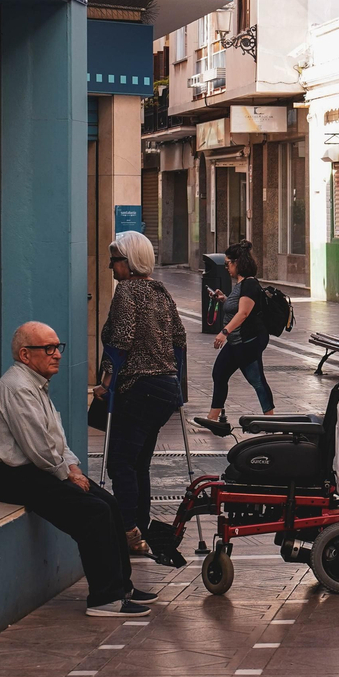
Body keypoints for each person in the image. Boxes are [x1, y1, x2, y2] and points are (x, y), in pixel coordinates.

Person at [0, 321, 154, 617]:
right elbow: (39, 449)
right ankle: (105, 599)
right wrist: (68, 474)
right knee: (93, 513)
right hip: (14, 477)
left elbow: (56, 441)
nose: (57, 354)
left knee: (109, 503)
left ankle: (122, 588)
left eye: (57, 347)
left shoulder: (36, 385)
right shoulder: (18, 389)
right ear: (25, 354)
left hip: (40, 470)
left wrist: (72, 468)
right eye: (48, 348)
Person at [97, 230, 187, 556]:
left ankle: (127, 530)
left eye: (115, 260)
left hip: (139, 388)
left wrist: (105, 383)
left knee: (120, 463)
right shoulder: (160, 290)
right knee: (140, 463)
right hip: (166, 389)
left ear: (130, 262)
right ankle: (142, 527)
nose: (110, 266)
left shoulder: (127, 291)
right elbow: (180, 338)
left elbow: (120, 341)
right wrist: (173, 375)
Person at [192, 240, 275, 436]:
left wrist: (224, 332)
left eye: (227, 263)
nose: (226, 267)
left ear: (238, 263)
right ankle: (213, 419)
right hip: (237, 341)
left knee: (256, 379)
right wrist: (224, 299)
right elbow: (238, 306)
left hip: (247, 342)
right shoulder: (241, 285)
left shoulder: (250, 284)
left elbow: (243, 313)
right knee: (219, 373)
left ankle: (272, 420)